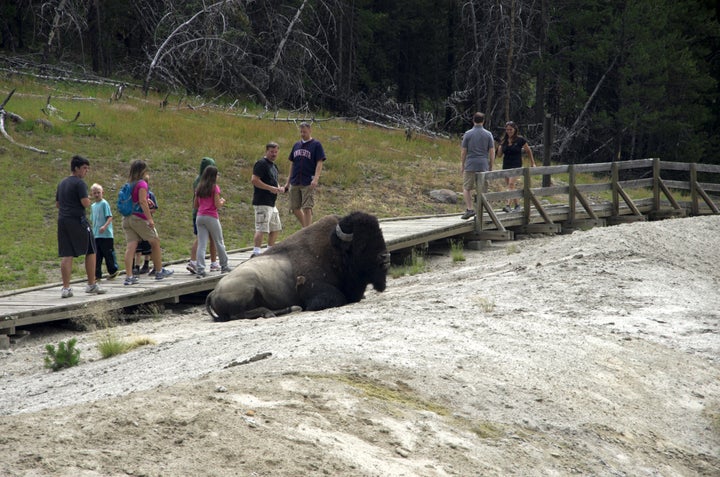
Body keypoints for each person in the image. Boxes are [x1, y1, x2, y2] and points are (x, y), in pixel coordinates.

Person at [56, 155, 106, 298]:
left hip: (63, 220)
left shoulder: (62, 183)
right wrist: (88, 199)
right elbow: (85, 202)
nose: (86, 171)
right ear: (76, 168)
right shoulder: (79, 183)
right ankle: (91, 284)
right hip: (78, 220)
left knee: (67, 253)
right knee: (91, 249)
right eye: (84, 168)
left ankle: (66, 288)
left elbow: (57, 204)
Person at [121, 160, 174, 285]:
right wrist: (149, 218)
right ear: (143, 171)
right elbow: (142, 202)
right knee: (155, 241)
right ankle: (159, 271)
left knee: (131, 247)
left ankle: (129, 276)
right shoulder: (142, 184)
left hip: (126, 218)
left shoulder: (128, 184)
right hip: (138, 218)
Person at [194, 165, 232, 277]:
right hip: (211, 216)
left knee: (202, 244)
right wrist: (222, 201)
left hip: (200, 216)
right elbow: (217, 204)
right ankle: (224, 265)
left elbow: (195, 204)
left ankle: (200, 269)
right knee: (219, 241)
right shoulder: (214, 188)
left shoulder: (199, 188)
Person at [251, 141, 288, 257]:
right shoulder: (261, 164)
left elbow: (273, 181)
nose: (274, 154)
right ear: (266, 151)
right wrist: (269, 188)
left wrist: (279, 188)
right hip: (262, 201)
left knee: (275, 227)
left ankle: (270, 250)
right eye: (271, 152)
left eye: (276, 152)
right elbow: (254, 180)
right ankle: (256, 252)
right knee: (262, 227)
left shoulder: (274, 166)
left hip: (272, 202)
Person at [288, 122, 326, 227]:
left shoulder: (316, 145)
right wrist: (288, 181)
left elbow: (319, 162)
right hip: (295, 180)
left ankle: (307, 230)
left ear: (310, 130)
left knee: (307, 207)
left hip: (308, 180)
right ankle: (306, 228)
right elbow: (292, 163)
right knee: (294, 207)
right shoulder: (296, 145)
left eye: (304, 131)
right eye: (301, 132)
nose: (302, 134)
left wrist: (316, 178)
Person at [460, 112, 495, 220]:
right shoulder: (488, 134)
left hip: (471, 163)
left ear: (473, 120)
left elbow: (464, 151)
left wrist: (462, 164)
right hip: (483, 163)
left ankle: (470, 209)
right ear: (483, 121)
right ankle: (481, 211)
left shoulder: (468, 134)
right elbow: (492, 151)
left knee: (467, 187)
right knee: (482, 188)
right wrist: (491, 165)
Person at [187, 157, 218, 274]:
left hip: (197, 213)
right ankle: (213, 263)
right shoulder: (209, 182)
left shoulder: (197, 180)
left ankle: (194, 261)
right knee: (212, 239)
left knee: (201, 238)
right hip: (208, 213)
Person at [496, 120, 536, 212]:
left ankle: (507, 205)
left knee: (511, 184)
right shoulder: (504, 141)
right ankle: (517, 205)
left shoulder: (520, 140)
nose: (509, 131)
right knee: (511, 186)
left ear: (515, 129)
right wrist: (500, 146)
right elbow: (499, 155)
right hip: (506, 165)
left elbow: (528, 150)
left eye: (511, 129)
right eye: (507, 130)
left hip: (516, 165)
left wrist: (532, 162)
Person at [90, 183, 119, 281]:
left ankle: (113, 271)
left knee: (108, 253)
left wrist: (104, 226)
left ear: (102, 193)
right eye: (95, 193)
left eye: (98, 192)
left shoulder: (104, 203)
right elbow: (93, 220)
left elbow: (110, 217)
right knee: (97, 255)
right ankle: (97, 275)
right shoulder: (93, 206)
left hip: (106, 235)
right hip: (96, 235)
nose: (97, 195)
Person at [133, 175, 157, 275]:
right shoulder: (135, 194)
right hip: (138, 221)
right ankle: (136, 266)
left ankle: (147, 264)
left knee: (149, 244)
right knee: (138, 246)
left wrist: (146, 211)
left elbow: (154, 208)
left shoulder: (150, 195)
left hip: (146, 221)